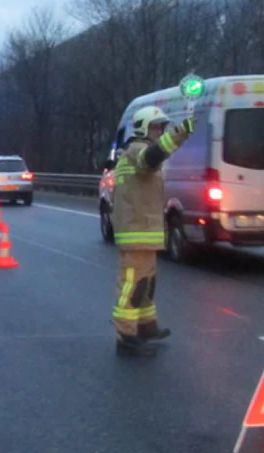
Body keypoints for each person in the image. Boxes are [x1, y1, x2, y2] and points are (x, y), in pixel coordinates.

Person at [110, 106, 194, 356]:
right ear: (145, 127)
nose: (162, 132)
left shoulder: (135, 152)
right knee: (133, 285)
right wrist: (180, 133)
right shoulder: (137, 150)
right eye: (158, 127)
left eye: (164, 128)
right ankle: (125, 333)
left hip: (143, 232)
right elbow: (151, 158)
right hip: (137, 232)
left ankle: (146, 326)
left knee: (146, 284)